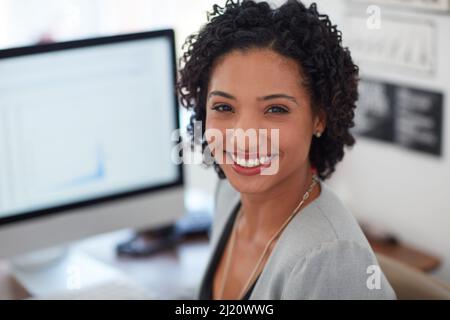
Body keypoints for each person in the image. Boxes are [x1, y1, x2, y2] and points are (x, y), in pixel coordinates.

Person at [177, 0, 396, 299]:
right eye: (224, 107)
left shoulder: (327, 259)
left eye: (276, 109)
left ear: (319, 117)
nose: (244, 138)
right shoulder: (228, 194)